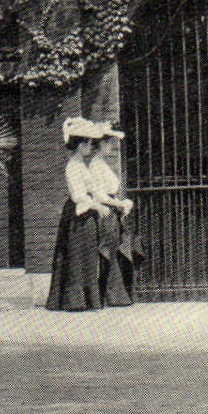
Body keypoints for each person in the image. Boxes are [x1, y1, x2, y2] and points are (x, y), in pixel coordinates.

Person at [46, 117, 116, 311]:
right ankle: (75, 301)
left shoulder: (81, 164)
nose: (90, 146)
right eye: (87, 143)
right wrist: (98, 207)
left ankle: (86, 300)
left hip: (87, 215)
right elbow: (78, 196)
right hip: (79, 215)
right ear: (80, 145)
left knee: (87, 255)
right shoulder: (72, 167)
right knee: (77, 255)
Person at [88, 120, 138, 306]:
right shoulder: (95, 164)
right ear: (101, 143)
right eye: (109, 143)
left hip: (112, 211)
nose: (111, 147)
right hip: (107, 212)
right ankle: (108, 297)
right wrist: (119, 203)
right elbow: (99, 195)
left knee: (114, 252)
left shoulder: (101, 163)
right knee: (108, 252)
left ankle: (116, 296)